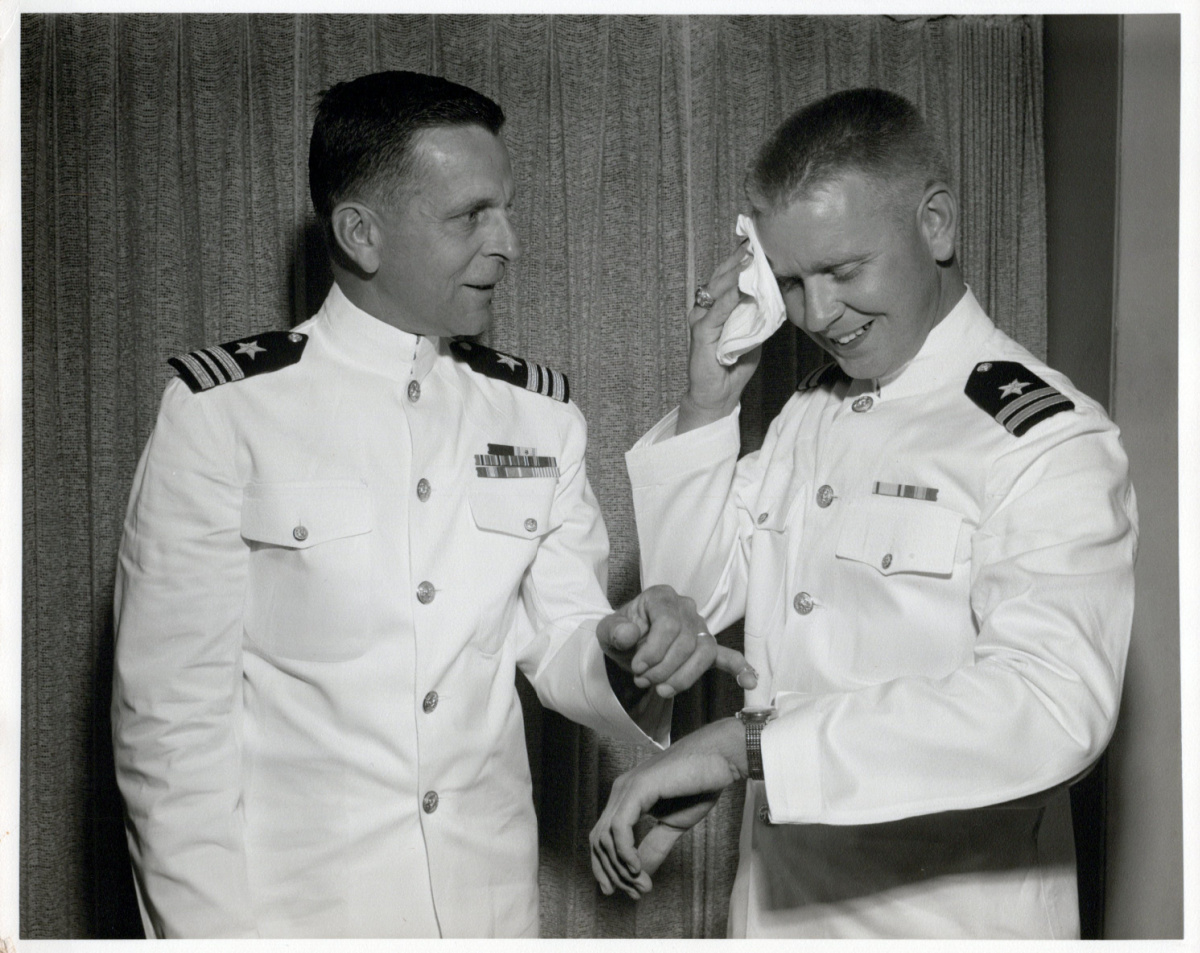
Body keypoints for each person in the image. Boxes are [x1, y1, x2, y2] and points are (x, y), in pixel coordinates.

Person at [111, 70, 754, 939]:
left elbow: (562, 640)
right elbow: (169, 736)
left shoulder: (540, 413)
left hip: (485, 912)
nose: (509, 243)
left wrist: (623, 640)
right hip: (299, 918)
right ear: (361, 234)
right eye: (471, 216)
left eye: (507, 208)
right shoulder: (224, 410)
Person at [589, 87, 1137, 938]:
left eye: (844, 271)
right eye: (792, 282)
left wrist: (751, 747)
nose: (817, 315)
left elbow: (1052, 705)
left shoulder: (1042, 435)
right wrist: (707, 403)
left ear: (938, 224)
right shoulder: (815, 409)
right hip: (776, 911)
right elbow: (695, 598)